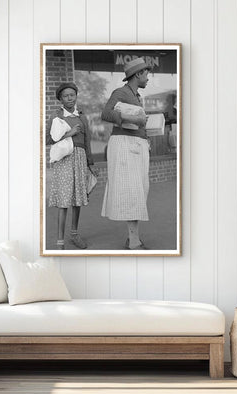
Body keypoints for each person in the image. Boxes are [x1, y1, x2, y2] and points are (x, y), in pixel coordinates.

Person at [101, 57, 152, 250]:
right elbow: (105, 114)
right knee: (132, 192)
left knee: (139, 192)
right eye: (146, 73)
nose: (148, 78)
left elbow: (138, 123)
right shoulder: (120, 92)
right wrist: (131, 118)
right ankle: (134, 241)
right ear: (138, 74)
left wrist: (146, 134)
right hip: (124, 145)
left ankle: (133, 238)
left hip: (137, 146)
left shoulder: (137, 96)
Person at [47, 82, 96, 250]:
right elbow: (48, 139)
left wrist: (90, 163)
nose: (69, 98)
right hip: (65, 160)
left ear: (76, 96)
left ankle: (74, 234)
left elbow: (87, 141)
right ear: (60, 99)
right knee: (64, 199)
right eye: (66, 96)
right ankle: (60, 241)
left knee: (77, 199)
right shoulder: (56, 117)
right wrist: (69, 133)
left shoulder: (81, 116)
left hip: (81, 158)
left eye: (72, 95)